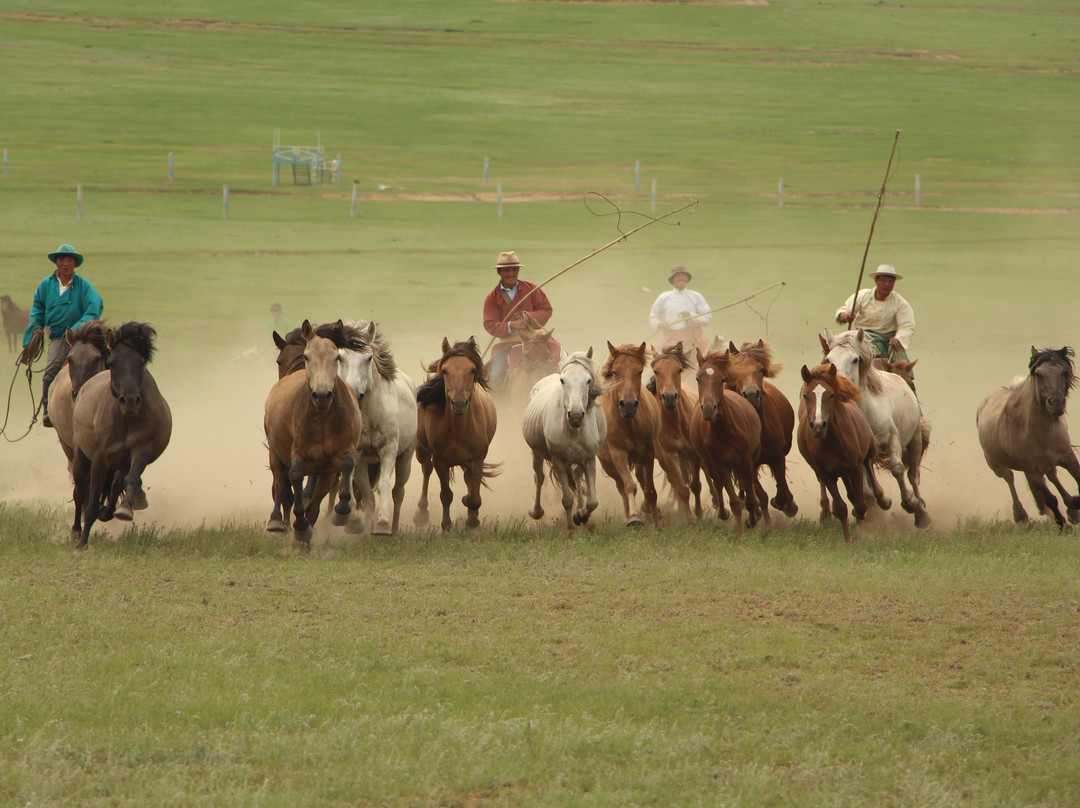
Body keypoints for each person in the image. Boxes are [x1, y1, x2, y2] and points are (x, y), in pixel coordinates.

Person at [17, 244, 104, 427]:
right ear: (57, 262)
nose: (66, 263)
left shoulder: (83, 285)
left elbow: (94, 307)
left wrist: (76, 328)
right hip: (58, 337)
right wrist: (36, 328)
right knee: (51, 370)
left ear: (75, 263)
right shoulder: (46, 285)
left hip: (81, 337)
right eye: (62, 259)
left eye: (70, 260)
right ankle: (48, 411)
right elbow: (38, 309)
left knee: (97, 364)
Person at [482, 250, 555, 389]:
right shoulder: (492, 297)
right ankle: (497, 407)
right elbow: (490, 324)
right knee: (495, 378)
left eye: (514, 269)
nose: (511, 274)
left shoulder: (531, 289)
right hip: (506, 345)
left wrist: (529, 318)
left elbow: (546, 310)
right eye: (507, 270)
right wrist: (511, 325)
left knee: (561, 360)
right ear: (499, 272)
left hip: (535, 340)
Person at [834, 264, 914, 361]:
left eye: (890, 281)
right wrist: (844, 316)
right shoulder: (863, 295)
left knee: (904, 365)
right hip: (864, 337)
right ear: (876, 281)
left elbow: (907, 326)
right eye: (884, 281)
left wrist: (898, 338)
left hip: (889, 341)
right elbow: (845, 310)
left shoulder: (900, 303)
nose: (887, 284)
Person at [649, 266, 712, 354]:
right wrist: (659, 324)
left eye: (683, 276)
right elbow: (654, 315)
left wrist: (690, 315)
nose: (681, 278)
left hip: (693, 338)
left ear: (687, 279)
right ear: (672, 280)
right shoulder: (664, 297)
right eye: (678, 276)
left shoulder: (696, 296)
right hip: (671, 339)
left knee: (707, 359)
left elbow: (707, 318)